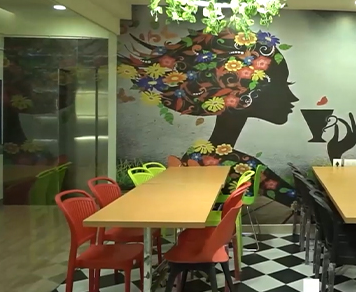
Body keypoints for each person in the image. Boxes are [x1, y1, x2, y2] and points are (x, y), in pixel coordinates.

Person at [118, 27, 299, 205]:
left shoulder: (197, 155)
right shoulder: (238, 164)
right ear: (244, 95)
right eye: (281, 86)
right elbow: (296, 201)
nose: (293, 97)